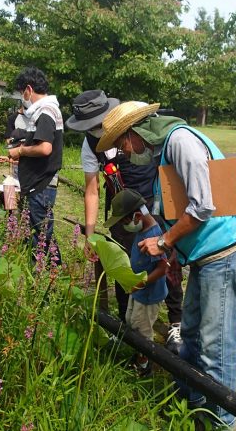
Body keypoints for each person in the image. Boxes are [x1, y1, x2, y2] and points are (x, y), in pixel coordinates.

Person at [96, 102, 236, 429]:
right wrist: (173, 253)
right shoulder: (165, 151)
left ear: (135, 132)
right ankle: (189, 403)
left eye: (122, 144)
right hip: (203, 256)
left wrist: (165, 241)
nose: (124, 152)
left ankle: (220, 423)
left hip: (224, 252)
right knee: (192, 336)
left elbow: (203, 206)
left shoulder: (180, 141)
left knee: (216, 347)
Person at [65, 91, 184, 353]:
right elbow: (92, 189)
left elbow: (168, 155)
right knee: (124, 263)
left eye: (98, 124)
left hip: (157, 196)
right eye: (90, 127)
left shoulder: (137, 115)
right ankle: (127, 326)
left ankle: (176, 322)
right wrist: (90, 234)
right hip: (123, 207)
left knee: (168, 260)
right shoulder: (89, 144)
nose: (96, 131)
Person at [103, 188, 168, 377]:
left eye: (125, 222)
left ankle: (144, 363)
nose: (124, 227)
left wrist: (144, 281)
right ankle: (138, 354)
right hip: (138, 291)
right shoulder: (142, 230)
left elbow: (163, 267)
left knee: (143, 331)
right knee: (132, 321)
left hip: (148, 295)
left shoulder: (155, 236)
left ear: (137, 216)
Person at [8, 67, 63, 264]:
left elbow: (45, 148)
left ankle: (52, 276)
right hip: (37, 185)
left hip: (42, 186)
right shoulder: (42, 111)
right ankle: (50, 274)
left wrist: (21, 151)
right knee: (40, 235)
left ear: (28, 90)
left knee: (42, 238)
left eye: (22, 92)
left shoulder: (46, 111)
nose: (22, 96)